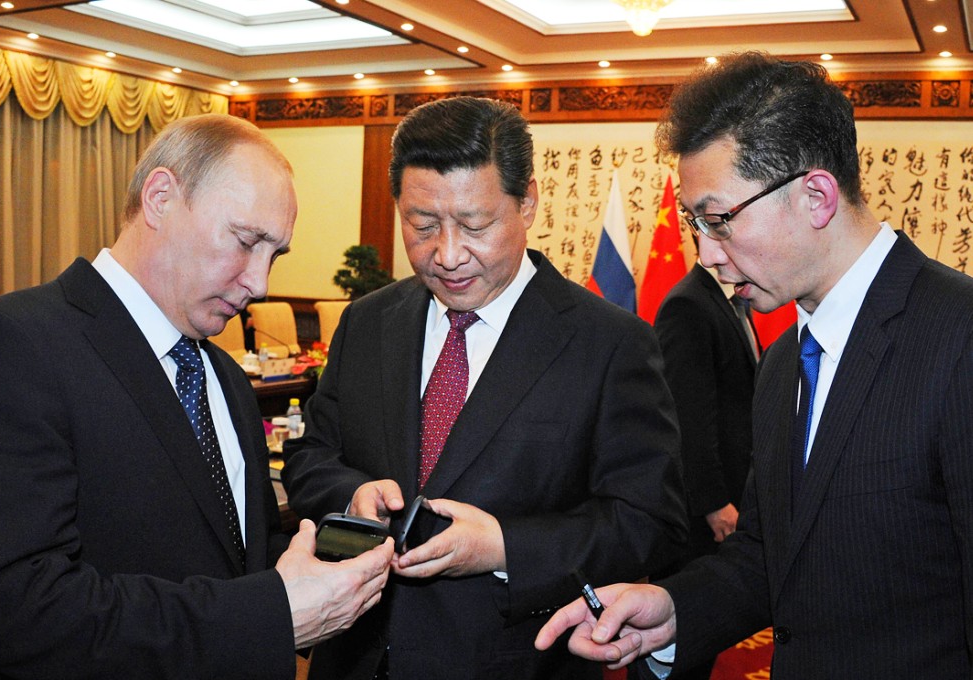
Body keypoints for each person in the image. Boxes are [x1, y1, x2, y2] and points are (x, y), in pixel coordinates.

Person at [536, 51, 973, 679]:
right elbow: (771, 555)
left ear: (815, 195)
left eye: (719, 221)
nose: (706, 253)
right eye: (695, 224)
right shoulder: (786, 359)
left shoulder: (957, 337)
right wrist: (672, 608)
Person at [0, 113, 393, 679]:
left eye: (274, 255)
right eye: (245, 241)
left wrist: (330, 554)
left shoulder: (224, 376)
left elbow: (232, 549)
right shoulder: (7, 346)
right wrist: (272, 614)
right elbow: (16, 617)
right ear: (160, 197)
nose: (259, 283)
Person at [281, 95, 687, 680]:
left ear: (528, 203)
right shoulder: (368, 322)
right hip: (357, 659)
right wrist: (353, 496)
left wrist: (503, 546)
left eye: (475, 225)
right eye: (422, 226)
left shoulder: (609, 343)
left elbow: (649, 523)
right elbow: (311, 455)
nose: (447, 255)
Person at [650, 258, 759, 680]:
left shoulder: (732, 300)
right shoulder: (688, 305)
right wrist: (714, 504)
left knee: (701, 636)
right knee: (676, 643)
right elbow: (686, 419)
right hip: (697, 512)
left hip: (726, 494)